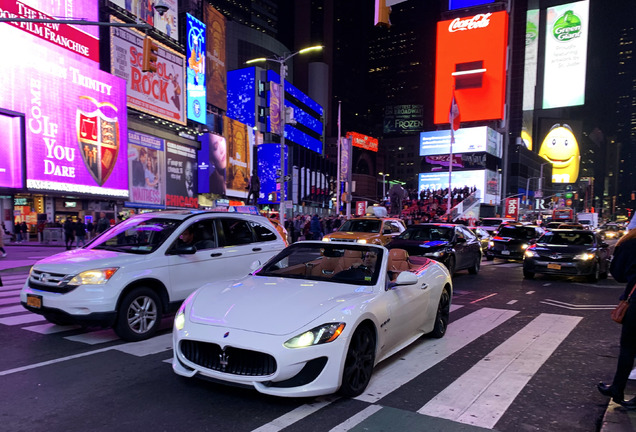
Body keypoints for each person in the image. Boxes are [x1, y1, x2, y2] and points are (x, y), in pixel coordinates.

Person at [597, 228, 636, 409]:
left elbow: (618, 274)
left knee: (628, 348)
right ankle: (617, 388)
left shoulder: (630, 242)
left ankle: (617, 388)